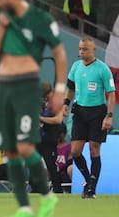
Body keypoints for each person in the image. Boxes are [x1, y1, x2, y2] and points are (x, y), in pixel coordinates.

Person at [0, 0, 67, 217]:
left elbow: (59, 54)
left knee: (25, 147)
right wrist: (0, 27)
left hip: (27, 88)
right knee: (10, 150)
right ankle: (24, 207)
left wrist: (60, 89)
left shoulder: (39, 19)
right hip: (5, 89)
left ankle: (47, 196)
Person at [63, 37, 116, 199]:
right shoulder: (76, 67)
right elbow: (70, 88)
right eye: (80, 49)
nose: (81, 52)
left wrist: (109, 115)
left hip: (97, 113)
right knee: (75, 151)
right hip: (79, 112)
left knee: (94, 149)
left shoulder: (102, 69)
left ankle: (92, 189)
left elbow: (111, 94)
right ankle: (88, 181)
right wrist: (66, 103)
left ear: (93, 50)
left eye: (84, 49)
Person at [37, 82, 64, 193]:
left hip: (50, 138)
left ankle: (58, 190)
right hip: (40, 138)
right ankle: (35, 187)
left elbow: (58, 120)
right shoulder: (43, 102)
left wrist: (41, 119)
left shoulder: (56, 103)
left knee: (51, 166)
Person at [56, 124, 72, 193]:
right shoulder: (50, 148)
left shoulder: (69, 147)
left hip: (65, 172)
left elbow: (70, 162)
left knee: (70, 169)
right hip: (53, 171)